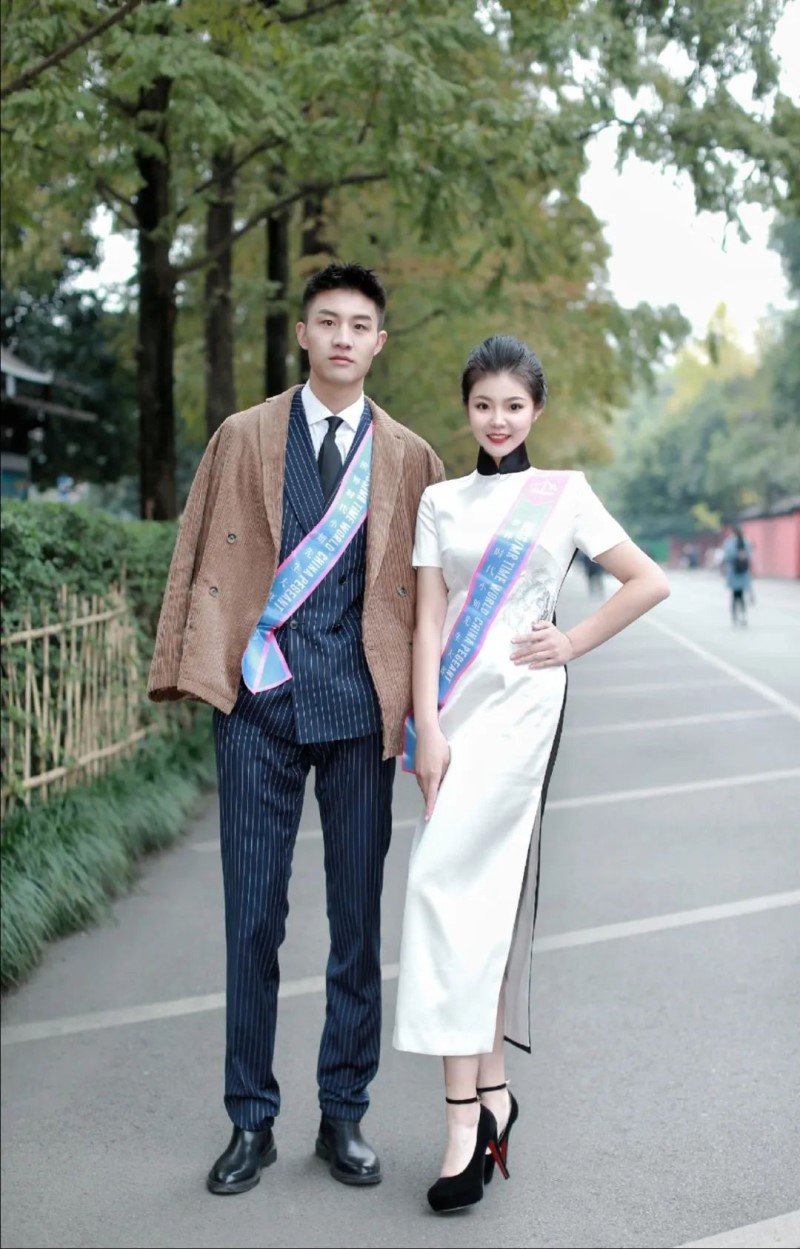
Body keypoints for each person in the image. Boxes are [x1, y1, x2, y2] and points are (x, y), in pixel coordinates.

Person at [147, 263, 444, 1195]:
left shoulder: (411, 458)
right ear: (304, 334)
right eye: (328, 321)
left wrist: (442, 712)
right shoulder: (243, 437)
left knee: (356, 921)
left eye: (360, 324)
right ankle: (250, 1119)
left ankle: (344, 1112)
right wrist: (183, 662)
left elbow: (436, 597)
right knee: (252, 918)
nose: (343, 337)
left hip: (360, 710)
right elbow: (195, 551)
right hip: (258, 707)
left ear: (378, 342)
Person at [393, 335, 670, 1214]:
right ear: (467, 409)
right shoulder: (440, 499)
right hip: (454, 713)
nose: (498, 420)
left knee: (462, 896)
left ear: (536, 410)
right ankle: (490, 1098)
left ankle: (461, 1128)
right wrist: (426, 730)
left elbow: (646, 580)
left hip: (521, 714)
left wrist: (571, 641)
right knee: (454, 899)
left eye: (514, 405)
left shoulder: (565, 494)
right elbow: (427, 622)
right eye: (484, 405)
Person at [721, 525, 753, 626]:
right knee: (740, 595)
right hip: (742, 572)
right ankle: (741, 615)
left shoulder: (730, 543)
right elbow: (749, 557)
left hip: (734, 572)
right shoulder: (746, 542)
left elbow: (727, 557)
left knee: (735, 595)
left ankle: (735, 616)